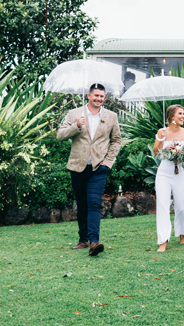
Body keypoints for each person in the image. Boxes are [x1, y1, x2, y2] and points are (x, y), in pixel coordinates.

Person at [56, 83, 122, 257]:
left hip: (99, 168)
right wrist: (76, 126)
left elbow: (116, 140)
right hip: (78, 167)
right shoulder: (74, 114)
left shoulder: (111, 116)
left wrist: (108, 162)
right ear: (88, 96)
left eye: (102, 96)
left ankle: (94, 241)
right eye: (96, 96)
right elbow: (60, 136)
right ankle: (83, 239)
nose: (99, 99)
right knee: (82, 204)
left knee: (93, 203)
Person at [154, 105, 184, 252]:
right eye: (180, 114)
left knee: (182, 206)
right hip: (164, 174)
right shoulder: (162, 131)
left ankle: (183, 234)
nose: (183, 116)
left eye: (183, 113)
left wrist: (181, 155)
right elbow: (156, 151)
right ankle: (163, 240)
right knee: (163, 205)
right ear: (172, 116)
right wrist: (161, 138)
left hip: (182, 173)